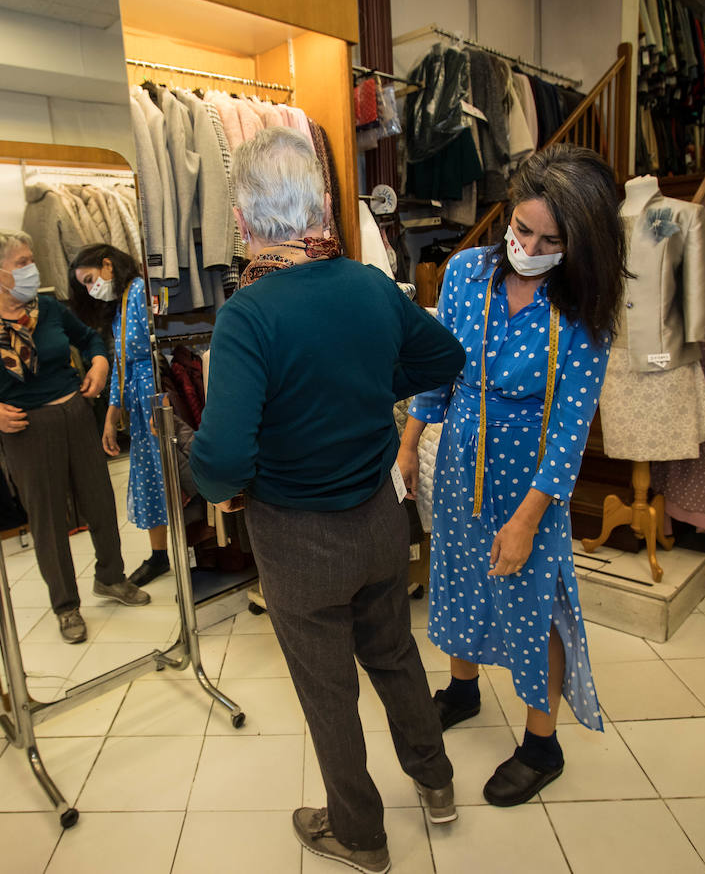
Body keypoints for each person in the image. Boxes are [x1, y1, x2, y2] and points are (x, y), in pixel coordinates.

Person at [191, 127, 466, 874]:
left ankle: (362, 836)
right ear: (317, 205)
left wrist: (222, 486)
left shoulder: (250, 313)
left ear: (245, 222)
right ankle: (437, 785)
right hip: (380, 515)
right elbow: (444, 356)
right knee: (396, 656)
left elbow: (220, 455)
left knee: (327, 691)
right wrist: (372, 383)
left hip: (298, 534)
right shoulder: (369, 286)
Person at [397, 144, 627, 807]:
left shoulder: (585, 306)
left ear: (578, 243)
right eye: (522, 229)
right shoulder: (468, 272)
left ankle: (541, 743)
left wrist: (528, 518)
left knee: (534, 602)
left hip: (532, 479)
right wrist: (411, 443)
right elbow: (440, 369)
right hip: (461, 456)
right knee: (459, 576)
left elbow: (570, 430)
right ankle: (463, 688)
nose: (528, 245)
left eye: (549, 239)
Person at [0, 229, 150, 645]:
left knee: (100, 500)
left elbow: (90, 340)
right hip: (26, 429)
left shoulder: (47, 309)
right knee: (47, 520)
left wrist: (99, 364)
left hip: (75, 413)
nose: (33, 269)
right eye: (22, 262)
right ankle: (66, 606)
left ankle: (111, 578)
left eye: (31, 259)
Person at [70, 244, 171, 587]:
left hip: (157, 401)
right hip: (140, 406)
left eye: (89, 279)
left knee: (171, 475)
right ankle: (159, 556)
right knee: (150, 479)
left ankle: (189, 551)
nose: (89, 288)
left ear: (108, 265)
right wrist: (111, 416)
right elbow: (121, 364)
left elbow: (157, 349)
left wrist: (157, 403)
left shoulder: (142, 292)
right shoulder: (120, 304)